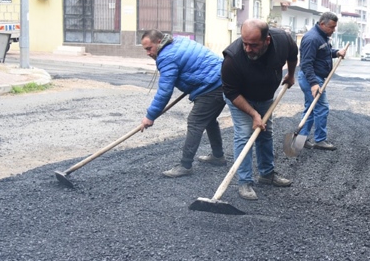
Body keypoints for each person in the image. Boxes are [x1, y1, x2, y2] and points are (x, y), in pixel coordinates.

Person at [221, 19, 298, 200]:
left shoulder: (282, 40)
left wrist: (291, 75)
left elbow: (293, 54)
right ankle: (245, 182)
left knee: (265, 132)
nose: (248, 49)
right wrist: (254, 114)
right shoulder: (232, 59)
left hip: (265, 97)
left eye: (254, 45)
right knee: (244, 134)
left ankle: (267, 174)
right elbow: (231, 92)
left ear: (267, 40)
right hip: (240, 98)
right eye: (245, 43)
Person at [140, 30, 227, 178]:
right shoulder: (178, 41)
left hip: (212, 86)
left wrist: (150, 116)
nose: (148, 53)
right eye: (145, 50)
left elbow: (164, 92)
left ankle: (185, 165)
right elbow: (193, 63)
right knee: (209, 120)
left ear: (159, 42)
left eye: (149, 48)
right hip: (222, 78)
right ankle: (218, 157)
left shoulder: (167, 57)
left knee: (195, 122)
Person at [297, 12, 347, 150]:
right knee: (322, 107)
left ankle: (301, 139)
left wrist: (336, 52)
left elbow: (324, 54)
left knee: (311, 108)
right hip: (311, 78)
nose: (333, 30)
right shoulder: (312, 39)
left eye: (335, 27)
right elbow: (306, 63)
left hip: (315, 78)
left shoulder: (322, 37)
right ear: (322, 24)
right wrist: (313, 84)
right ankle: (320, 140)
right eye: (331, 27)